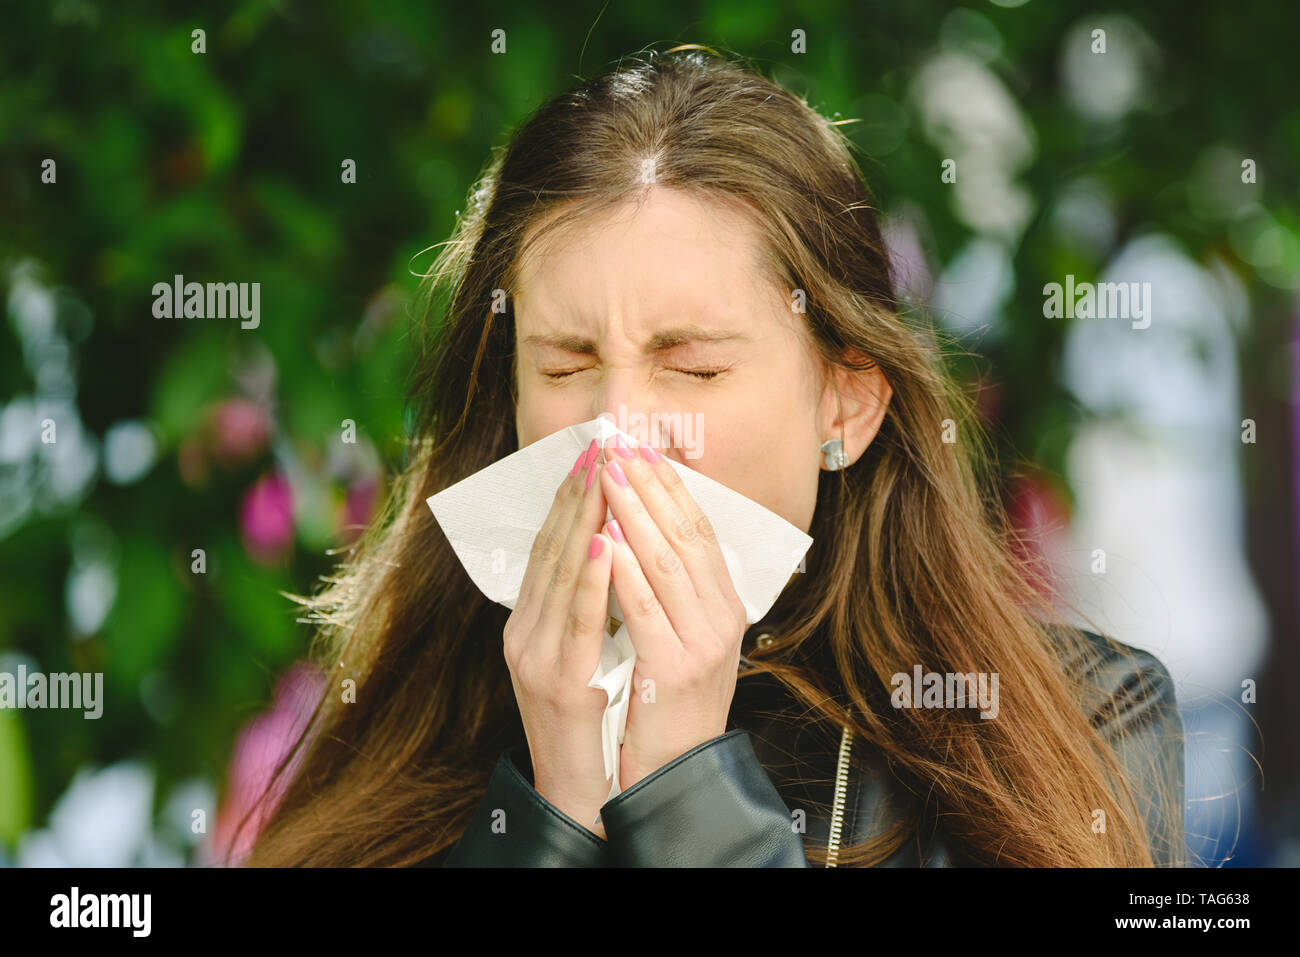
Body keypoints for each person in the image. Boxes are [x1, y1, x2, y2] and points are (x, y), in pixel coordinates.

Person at [238, 45, 1185, 867]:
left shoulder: (1077, 721)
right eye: (566, 365)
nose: (618, 430)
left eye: (688, 367)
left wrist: (685, 791)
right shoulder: (415, 739)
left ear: (846, 403)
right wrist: (555, 801)